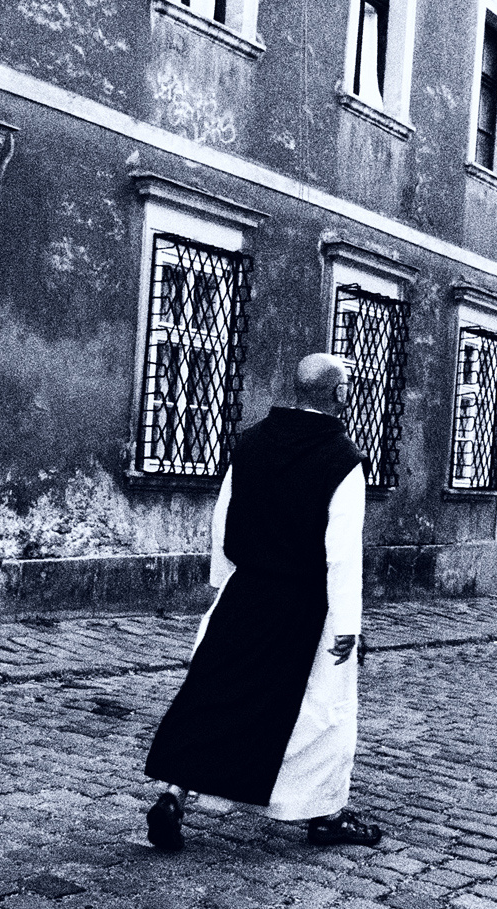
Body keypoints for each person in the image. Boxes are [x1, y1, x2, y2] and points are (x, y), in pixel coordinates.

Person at [142, 352, 381, 852]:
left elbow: (222, 523)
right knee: (323, 709)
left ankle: (174, 794)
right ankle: (325, 813)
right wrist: (347, 628)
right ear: (338, 395)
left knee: (215, 696)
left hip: (246, 591)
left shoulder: (249, 444)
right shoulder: (343, 460)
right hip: (306, 605)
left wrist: (224, 586)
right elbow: (342, 556)